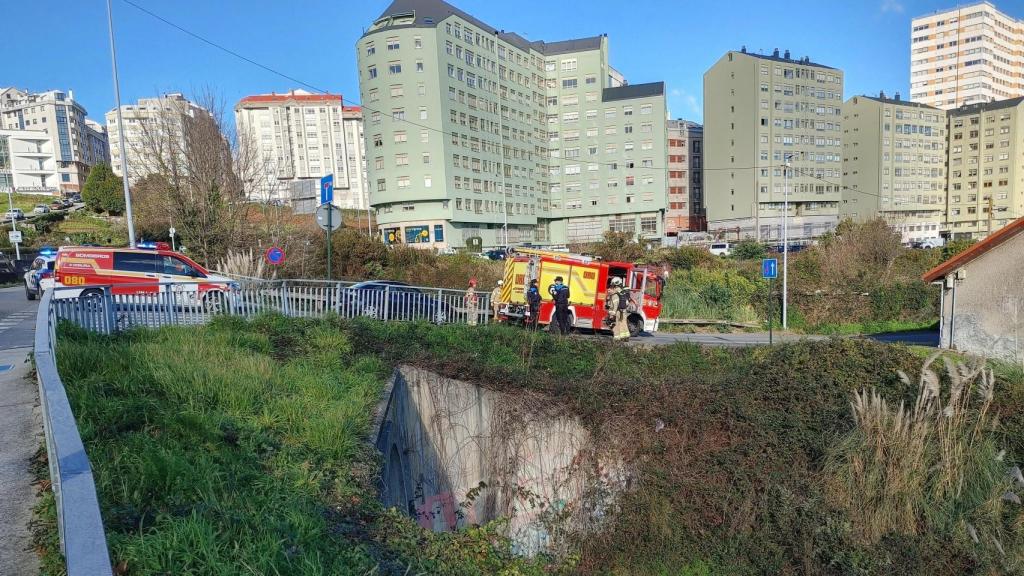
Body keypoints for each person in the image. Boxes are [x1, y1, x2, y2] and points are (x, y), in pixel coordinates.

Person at [605, 276, 631, 341]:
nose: (611, 288)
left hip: (618, 311)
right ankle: (625, 336)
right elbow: (627, 302)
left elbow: (615, 305)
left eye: (612, 286)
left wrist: (612, 314)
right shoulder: (623, 291)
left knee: (616, 324)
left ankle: (617, 337)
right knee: (623, 323)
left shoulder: (615, 293)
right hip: (623, 310)